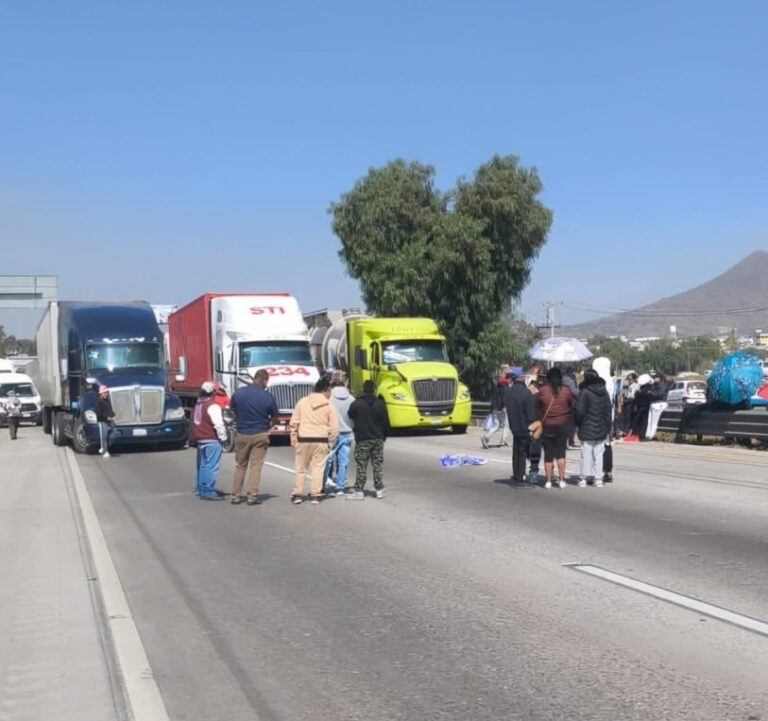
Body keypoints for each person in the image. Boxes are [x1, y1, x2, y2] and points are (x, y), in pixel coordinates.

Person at [230, 369, 279, 506]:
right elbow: (275, 417)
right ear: (264, 380)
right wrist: (269, 426)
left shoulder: (238, 393)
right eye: (266, 382)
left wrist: (239, 419)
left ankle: (236, 495)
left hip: (242, 433)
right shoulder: (267, 396)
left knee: (240, 465)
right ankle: (252, 496)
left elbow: (231, 410)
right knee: (256, 466)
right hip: (260, 433)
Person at [289, 377, 339, 505]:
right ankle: (315, 495)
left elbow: (294, 422)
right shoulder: (329, 405)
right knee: (318, 468)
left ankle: (297, 494)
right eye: (330, 391)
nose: (331, 394)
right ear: (326, 390)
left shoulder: (302, 402)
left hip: (304, 438)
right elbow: (334, 427)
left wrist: (294, 437)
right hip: (321, 440)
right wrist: (331, 442)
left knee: (301, 469)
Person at [347, 380, 389, 500]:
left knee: (361, 464)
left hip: (363, 438)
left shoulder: (357, 403)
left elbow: (350, 415)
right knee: (377, 464)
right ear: (374, 390)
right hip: (377, 438)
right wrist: (384, 436)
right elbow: (386, 423)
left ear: (364, 390)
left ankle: (359, 490)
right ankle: (379, 489)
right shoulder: (381, 404)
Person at [536, 367, 574, 489]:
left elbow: (538, 405)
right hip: (562, 426)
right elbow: (570, 404)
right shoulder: (566, 390)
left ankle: (548, 481)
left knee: (548, 454)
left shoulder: (542, 391)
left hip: (547, 426)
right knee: (561, 454)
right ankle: (562, 480)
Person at [575, 369, 613, 487]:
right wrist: (608, 428)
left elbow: (579, 411)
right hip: (601, 427)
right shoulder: (604, 392)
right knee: (599, 454)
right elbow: (608, 411)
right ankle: (598, 479)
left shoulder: (584, 392)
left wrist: (578, 424)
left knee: (585, 454)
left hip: (587, 427)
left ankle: (583, 478)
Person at [192, 382, 228, 500]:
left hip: (201, 439)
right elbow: (218, 424)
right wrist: (223, 438)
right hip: (212, 439)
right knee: (211, 467)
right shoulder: (213, 406)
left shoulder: (198, 405)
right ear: (213, 393)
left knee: (203, 466)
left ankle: (201, 488)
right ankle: (208, 490)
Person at [503, 368, 537, 483]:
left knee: (516, 449)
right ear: (521, 378)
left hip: (513, 425)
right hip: (524, 425)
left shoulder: (509, 392)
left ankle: (516, 473)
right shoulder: (526, 392)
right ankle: (521, 474)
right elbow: (531, 413)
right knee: (523, 451)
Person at [326, 371, 354, 496]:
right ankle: (340, 487)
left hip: (332, 432)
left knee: (328, 459)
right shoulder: (352, 399)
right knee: (343, 461)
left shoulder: (329, 398)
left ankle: (323, 484)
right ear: (345, 381)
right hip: (347, 432)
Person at [481, 373, 510, 448]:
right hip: (501, 408)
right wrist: (505, 406)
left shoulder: (496, 386)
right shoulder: (506, 386)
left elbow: (493, 398)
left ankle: (487, 437)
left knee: (496, 425)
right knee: (505, 424)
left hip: (494, 408)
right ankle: (501, 440)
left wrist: (492, 408)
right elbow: (505, 397)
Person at [94, 385, 116, 457]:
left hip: (110, 420)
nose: (107, 393)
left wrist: (113, 414)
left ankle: (104, 448)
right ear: (102, 393)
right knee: (104, 436)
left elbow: (110, 410)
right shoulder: (99, 402)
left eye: (107, 392)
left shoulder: (107, 400)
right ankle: (105, 451)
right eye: (106, 392)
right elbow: (98, 413)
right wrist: (107, 418)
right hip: (103, 421)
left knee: (114, 434)